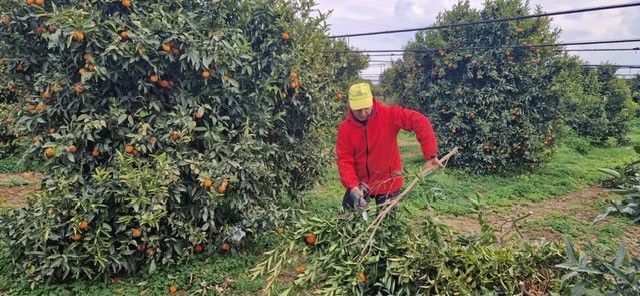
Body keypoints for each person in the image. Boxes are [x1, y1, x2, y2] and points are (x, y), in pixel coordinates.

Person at [336, 82, 444, 210]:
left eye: (366, 107)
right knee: (347, 222)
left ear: (372, 100)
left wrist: (430, 154)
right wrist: (352, 185)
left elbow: (420, 122)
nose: (363, 112)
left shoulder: (389, 115)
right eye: (358, 109)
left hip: (388, 181)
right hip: (360, 183)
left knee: (387, 225)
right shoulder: (345, 129)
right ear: (349, 105)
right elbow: (345, 160)